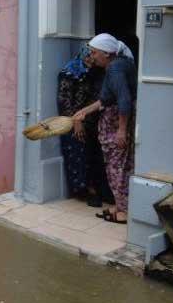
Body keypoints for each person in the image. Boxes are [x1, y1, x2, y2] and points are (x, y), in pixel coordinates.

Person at [72, 34, 137, 224]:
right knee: (120, 166)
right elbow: (106, 99)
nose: (92, 56)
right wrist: (84, 111)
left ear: (107, 54)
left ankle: (123, 212)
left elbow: (124, 101)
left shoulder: (115, 68)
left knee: (117, 167)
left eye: (94, 52)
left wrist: (121, 130)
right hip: (116, 121)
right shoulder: (119, 64)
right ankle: (120, 205)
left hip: (116, 124)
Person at [56, 46, 109, 207]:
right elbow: (64, 101)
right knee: (78, 154)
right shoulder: (69, 73)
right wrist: (76, 121)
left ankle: (99, 189)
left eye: (92, 56)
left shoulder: (96, 72)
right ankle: (85, 190)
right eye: (88, 57)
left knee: (94, 156)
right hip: (74, 122)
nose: (91, 60)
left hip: (92, 120)